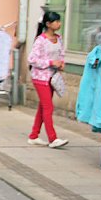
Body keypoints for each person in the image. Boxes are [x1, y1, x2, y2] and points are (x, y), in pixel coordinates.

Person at [27, 11, 68, 149]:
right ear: (48, 24)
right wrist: (51, 62)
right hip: (40, 77)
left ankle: (34, 135)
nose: (59, 24)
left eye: (59, 21)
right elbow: (32, 59)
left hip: (52, 78)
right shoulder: (41, 40)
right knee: (48, 107)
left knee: (43, 107)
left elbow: (61, 53)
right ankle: (53, 138)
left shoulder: (59, 38)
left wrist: (61, 63)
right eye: (56, 21)